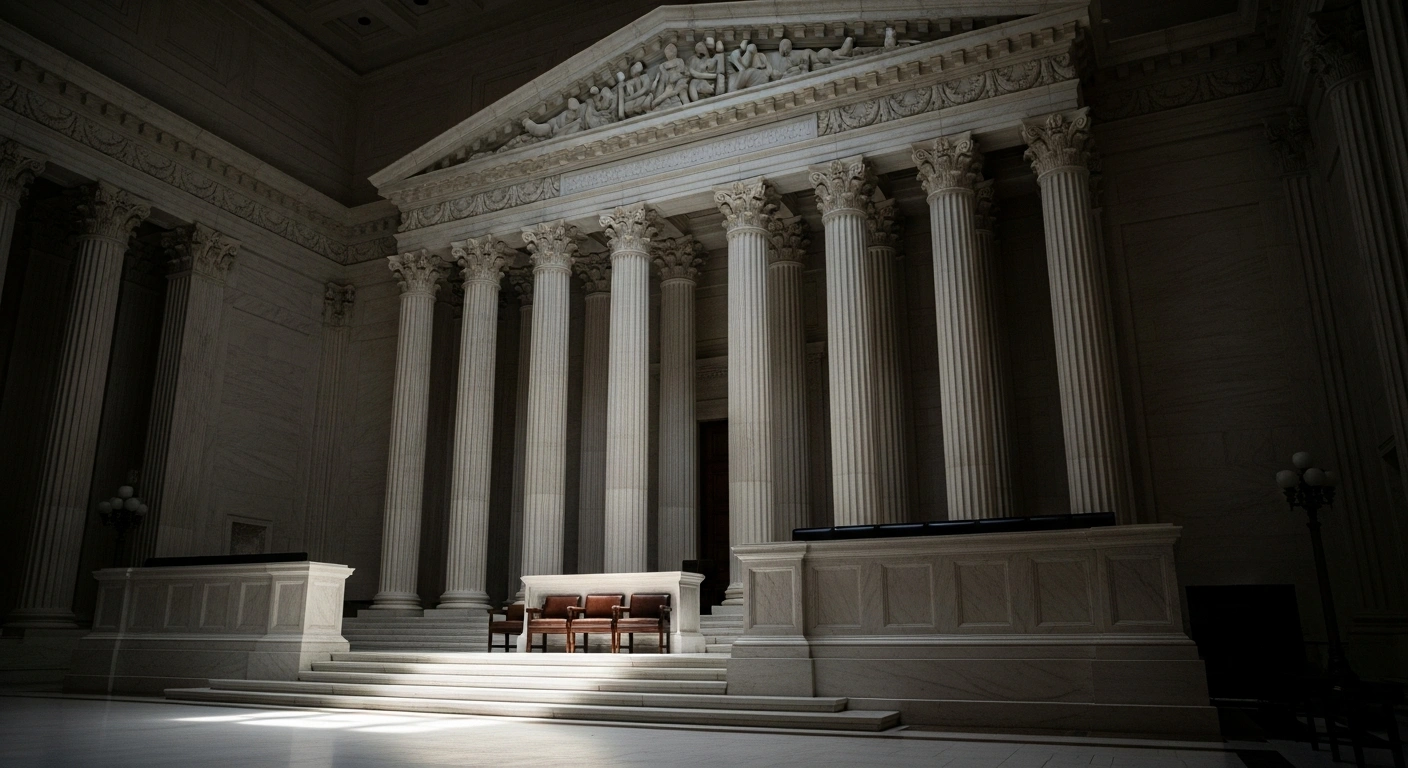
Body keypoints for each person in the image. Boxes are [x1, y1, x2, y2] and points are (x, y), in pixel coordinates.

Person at [652, 42, 689, 108]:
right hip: (670, 83)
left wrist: (662, 67)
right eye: (667, 51)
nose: (667, 53)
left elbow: (667, 66)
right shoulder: (665, 70)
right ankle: (658, 101)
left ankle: (656, 101)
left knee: (682, 94)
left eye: (669, 50)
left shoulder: (678, 60)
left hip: (677, 83)